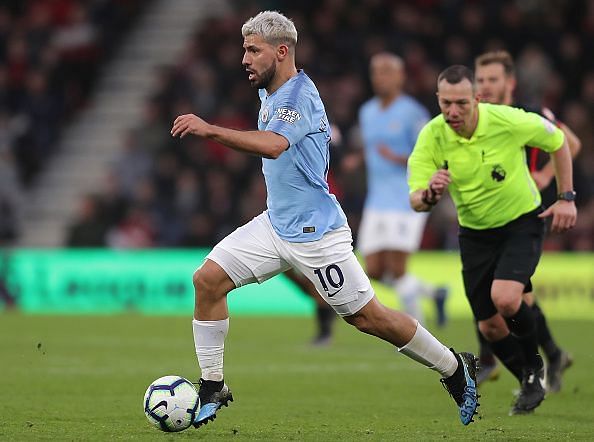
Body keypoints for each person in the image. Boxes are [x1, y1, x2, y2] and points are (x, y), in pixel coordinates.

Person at [170, 11, 479, 428]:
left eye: (252, 50)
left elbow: (275, 145)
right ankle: (212, 386)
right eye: (244, 48)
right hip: (276, 224)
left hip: (317, 233)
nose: (243, 58)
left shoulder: (298, 96)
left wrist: (210, 130)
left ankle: (452, 366)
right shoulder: (270, 90)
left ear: (282, 52)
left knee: (367, 317)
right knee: (207, 280)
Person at [407, 65, 577, 415]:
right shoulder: (431, 136)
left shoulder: (508, 120)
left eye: (461, 104)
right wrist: (430, 193)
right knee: (489, 325)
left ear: (477, 100)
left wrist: (567, 197)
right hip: (475, 235)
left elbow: (559, 142)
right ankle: (529, 378)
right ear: (438, 100)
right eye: (446, 103)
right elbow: (416, 200)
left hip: (521, 223)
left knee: (506, 298)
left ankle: (535, 369)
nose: (453, 112)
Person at [474, 50, 579, 390]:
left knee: (507, 292)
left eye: (493, 79)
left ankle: (495, 359)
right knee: (517, 296)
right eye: (481, 80)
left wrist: (547, 176)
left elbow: (571, 143)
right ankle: (552, 353)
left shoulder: (530, 114)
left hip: (526, 213)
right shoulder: (476, 117)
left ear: (510, 83)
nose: (486, 86)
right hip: (491, 212)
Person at [357, 52, 448, 326]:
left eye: (386, 71)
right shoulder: (367, 111)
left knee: (398, 270)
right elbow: (373, 149)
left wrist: (397, 157)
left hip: (406, 199)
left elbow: (429, 155)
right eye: (375, 71)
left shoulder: (413, 113)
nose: (379, 76)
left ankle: (416, 331)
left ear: (400, 77)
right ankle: (435, 293)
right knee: (371, 271)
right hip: (375, 201)